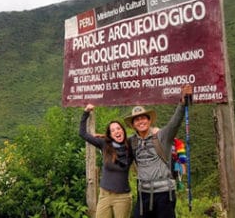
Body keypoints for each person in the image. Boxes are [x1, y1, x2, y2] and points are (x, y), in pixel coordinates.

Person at [124, 84, 193, 218]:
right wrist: (103, 137)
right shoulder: (132, 141)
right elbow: (116, 139)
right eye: (137, 120)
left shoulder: (162, 136)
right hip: (143, 194)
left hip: (164, 194)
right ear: (133, 125)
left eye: (143, 118)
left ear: (149, 121)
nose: (140, 121)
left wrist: (182, 102)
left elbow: (174, 123)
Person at [80, 104, 133, 218]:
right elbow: (83, 133)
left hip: (122, 197)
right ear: (110, 134)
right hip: (104, 195)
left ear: (123, 130)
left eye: (118, 128)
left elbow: (142, 135)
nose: (116, 131)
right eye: (113, 130)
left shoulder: (131, 145)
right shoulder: (105, 145)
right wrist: (86, 112)